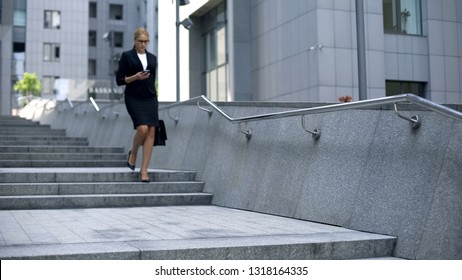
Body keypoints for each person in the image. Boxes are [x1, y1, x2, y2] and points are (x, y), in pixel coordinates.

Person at [116, 28, 158, 183]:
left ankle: (144, 169)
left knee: (152, 131)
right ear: (134, 41)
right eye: (140, 41)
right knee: (142, 129)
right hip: (133, 97)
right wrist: (135, 77)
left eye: (146, 41)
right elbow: (119, 80)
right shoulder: (127, 56)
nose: (143, 44)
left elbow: (151, 79)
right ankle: (133, 153)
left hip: (150, 97)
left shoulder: (153, 58)